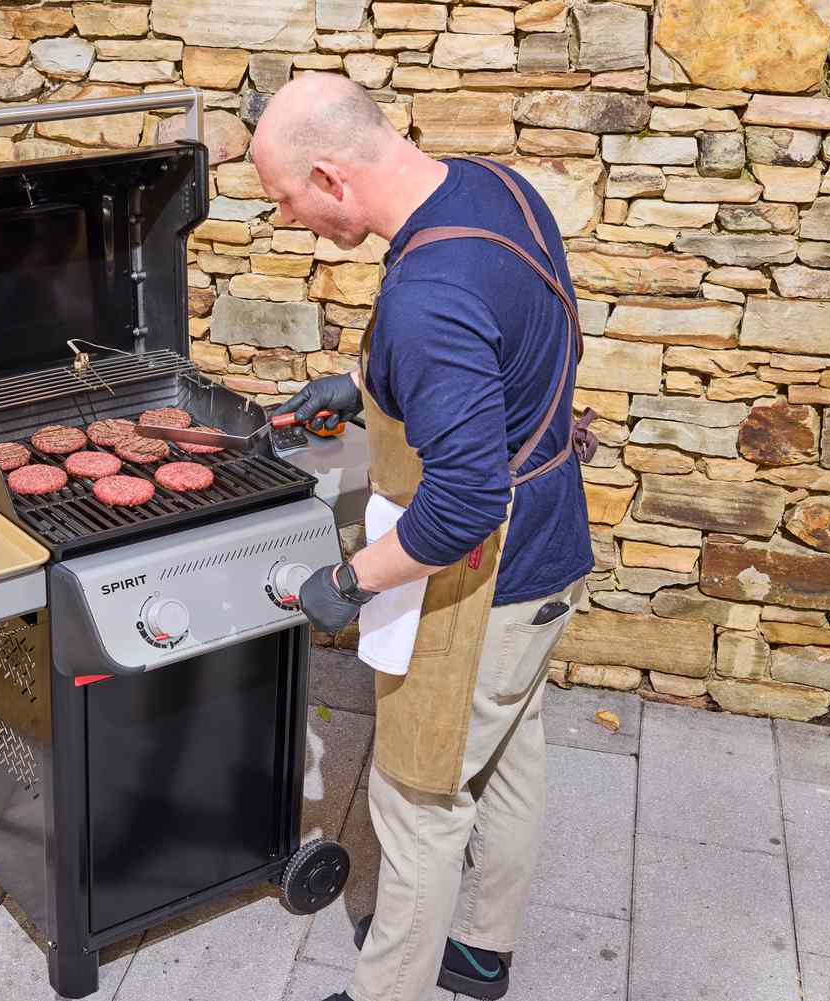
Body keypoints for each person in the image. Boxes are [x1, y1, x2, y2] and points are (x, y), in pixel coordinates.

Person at [251, 74, 596, 1001]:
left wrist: (348, 580)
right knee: (512, 753)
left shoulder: (425, 295)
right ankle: (482, 952)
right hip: (555, 549)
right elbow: (498, 365)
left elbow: (464, 502)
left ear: (328, 175)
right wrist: (358, 396)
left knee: (418, 795)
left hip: (489, 578)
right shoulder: (494, 186)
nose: (287, 219)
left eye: (286, 198)